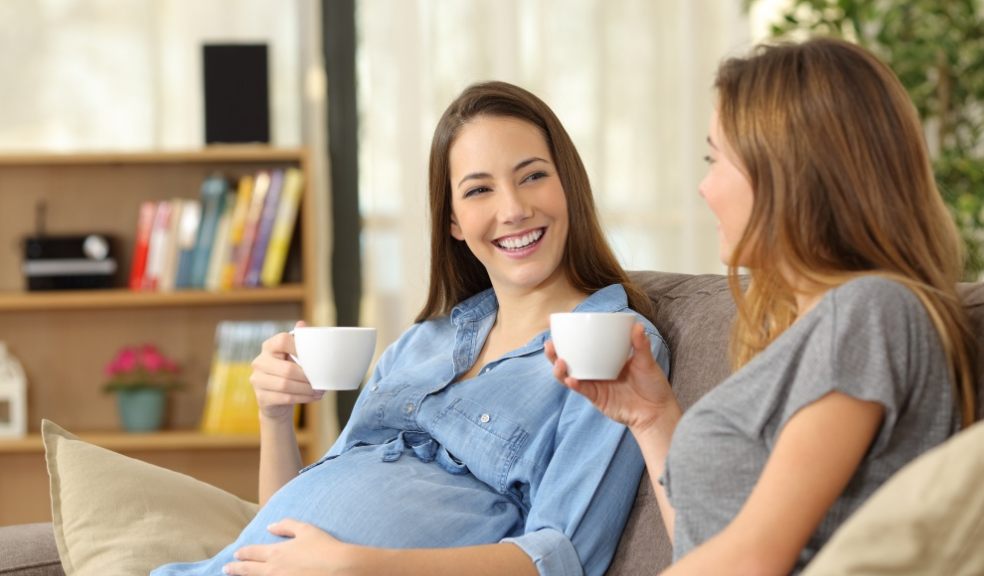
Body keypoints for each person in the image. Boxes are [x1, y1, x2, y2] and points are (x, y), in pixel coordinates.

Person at [151, 80, 670, 576]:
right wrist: (276, 417)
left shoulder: (611, 347)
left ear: (569, 186)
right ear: (454, 222)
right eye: (479, 190)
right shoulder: (423, 343)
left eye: (533, 176)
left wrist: (361, 567)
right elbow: (283, 530)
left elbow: (562, 558)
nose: (513, 210)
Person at [546, 37, 977, 575]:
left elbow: (755, 559)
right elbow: (713, 547)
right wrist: (651, 416)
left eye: (715, 158)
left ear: (788, 173)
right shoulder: (810, 324)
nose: (704, 188)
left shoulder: (872, 311)